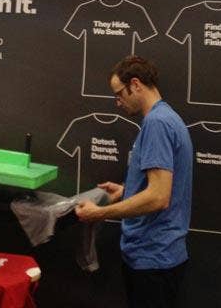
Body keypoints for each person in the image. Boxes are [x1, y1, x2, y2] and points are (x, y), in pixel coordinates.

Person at [75, 55, 193, 308]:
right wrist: (126, 191)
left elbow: (158, 197)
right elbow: (163, 187)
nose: (118, 102)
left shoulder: (156, 123)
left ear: (136, 84)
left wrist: (100, 213)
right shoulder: (167, 118)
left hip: (153, 257)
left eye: (119, 93)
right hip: (160, 256)